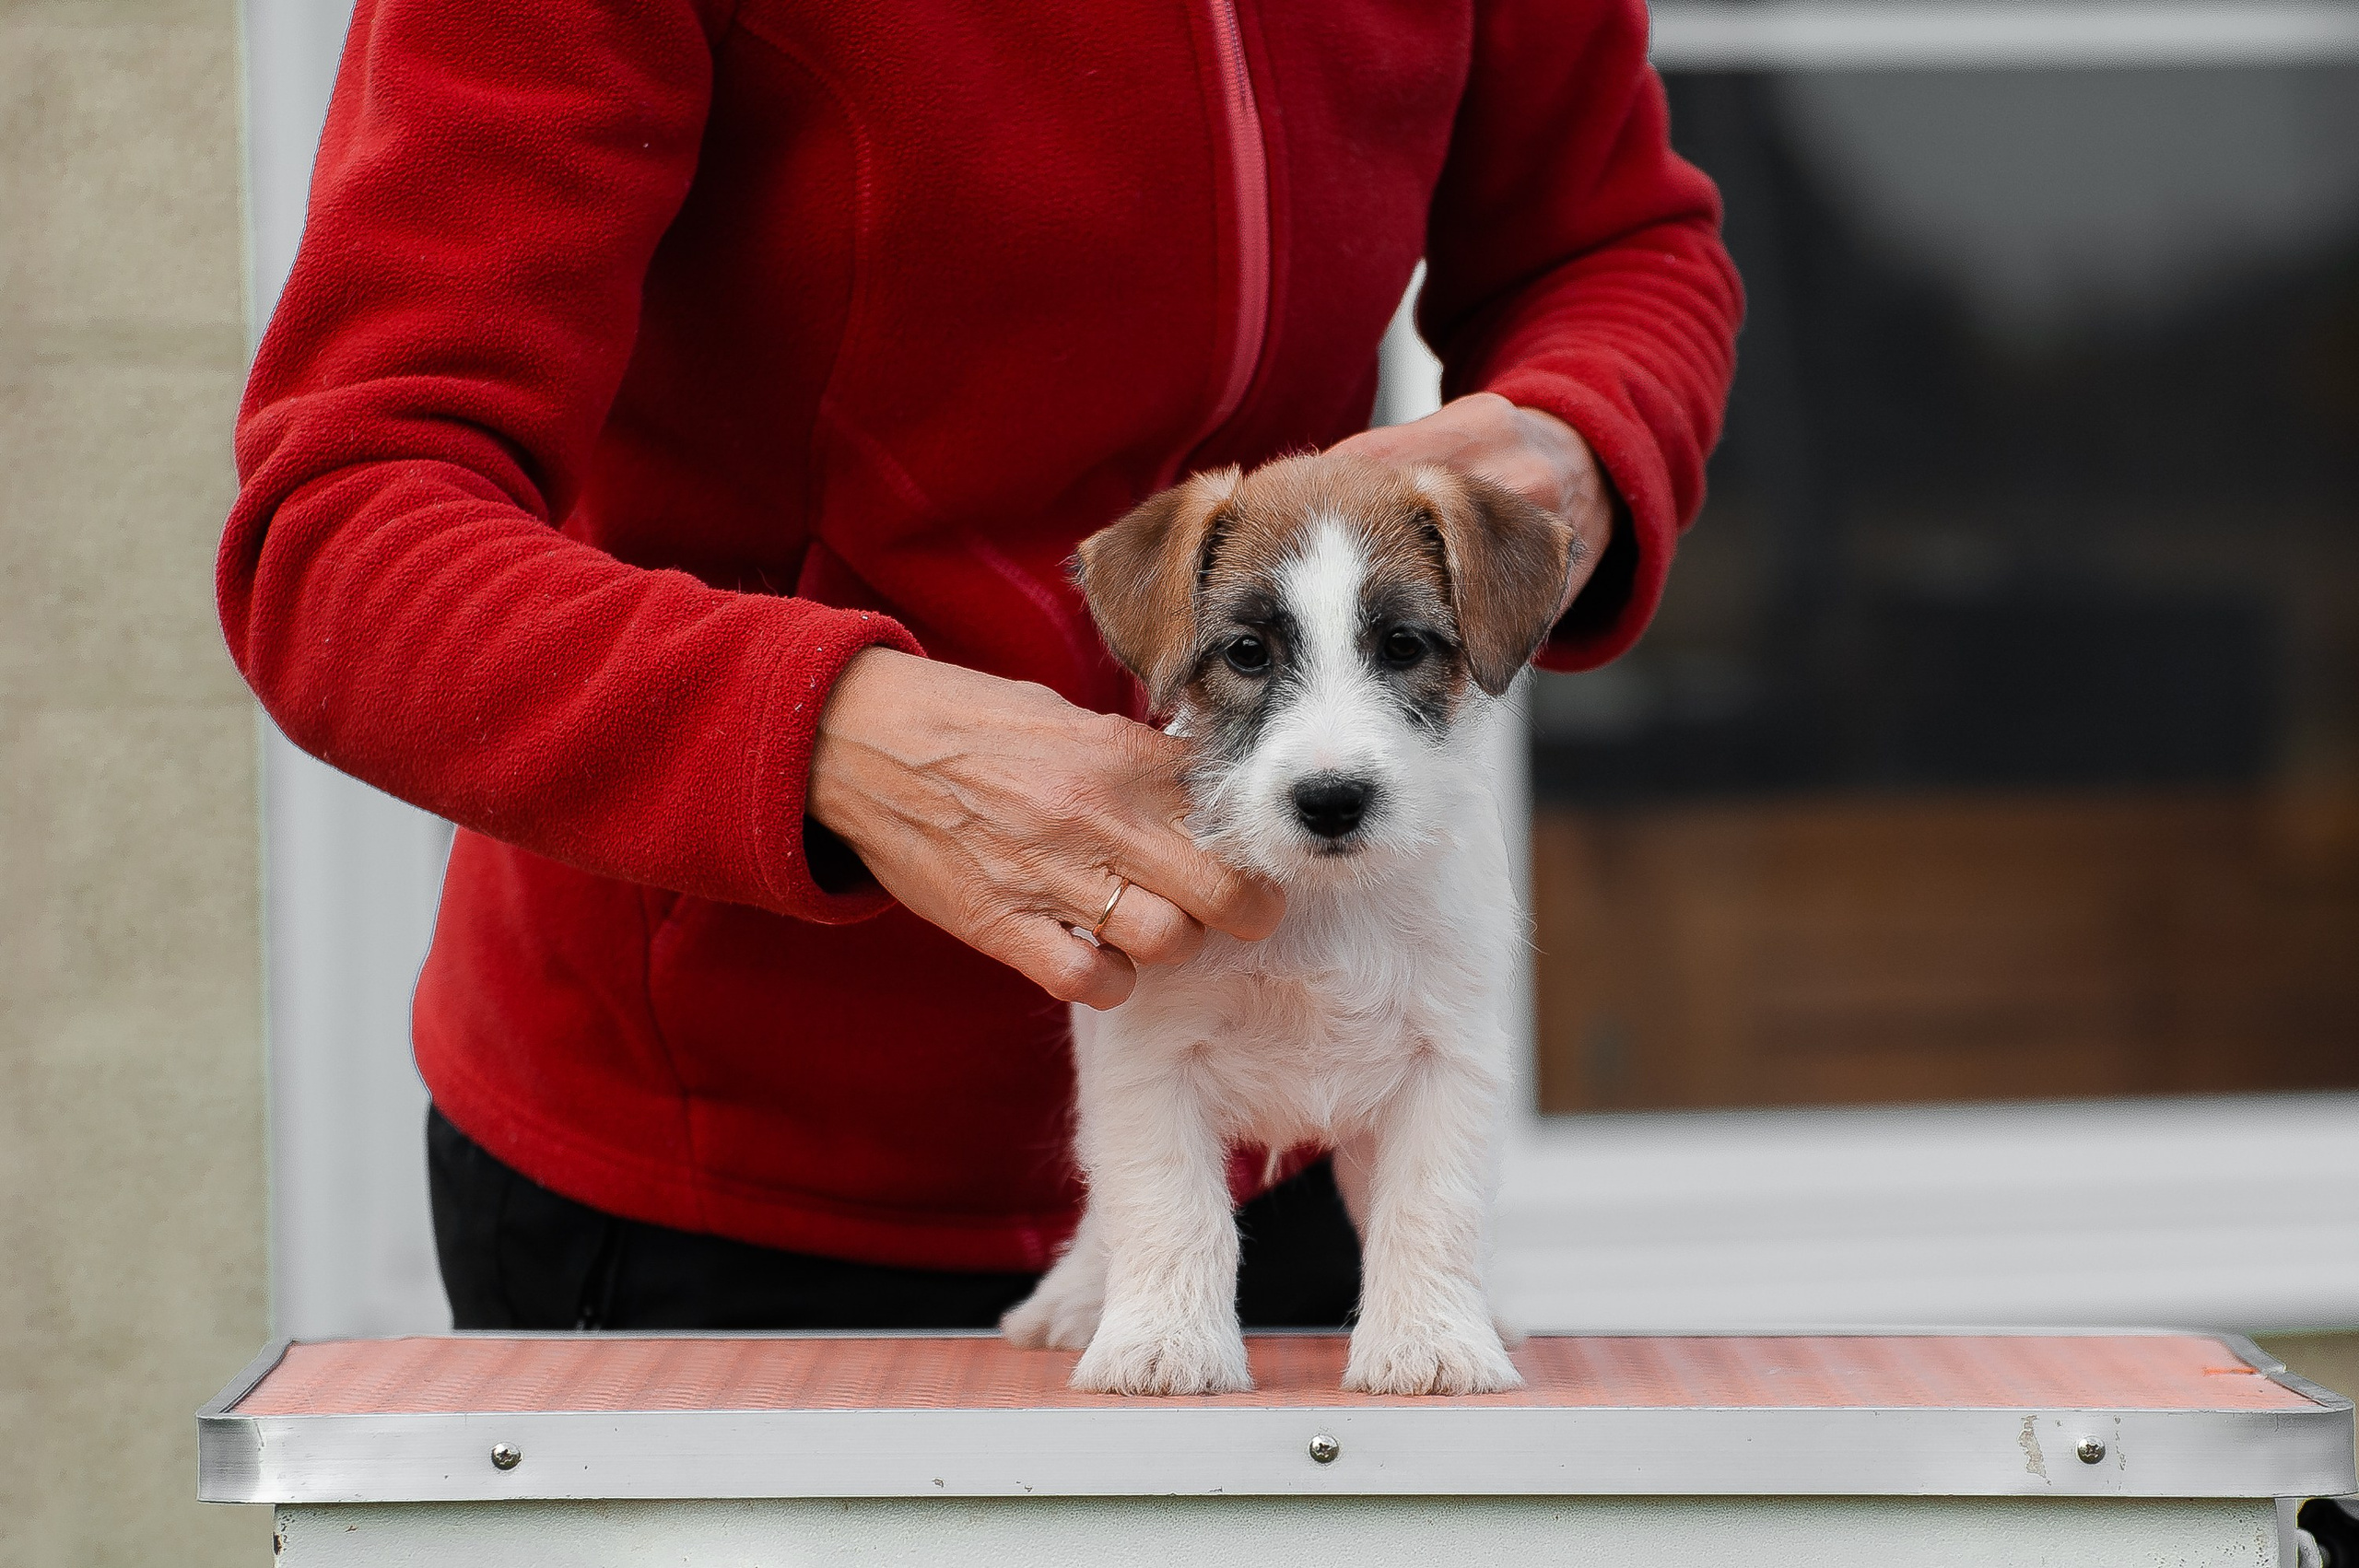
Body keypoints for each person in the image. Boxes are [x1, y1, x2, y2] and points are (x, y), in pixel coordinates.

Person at [218, 0, 1742, 1331]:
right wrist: (829, 733)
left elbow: (1615, 239)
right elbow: (341, 530)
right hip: (727, 1180)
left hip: (1278, 1110)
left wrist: (1581, 439)